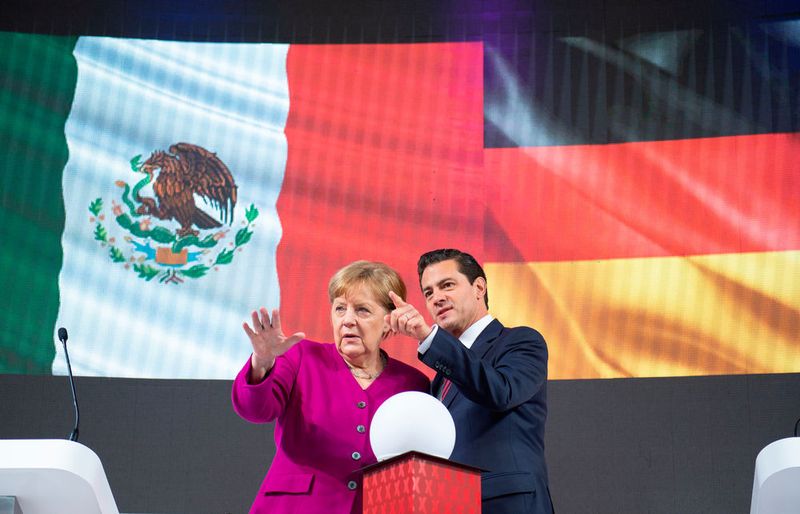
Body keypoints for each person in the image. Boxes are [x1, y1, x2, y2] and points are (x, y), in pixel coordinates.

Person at [232, 260, 430, 514]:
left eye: (362, 310)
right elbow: (255, 410)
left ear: (389, 322)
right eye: (340, 309)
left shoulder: (412, 383)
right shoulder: (300, 356)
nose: (347, 320)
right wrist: (262, 362)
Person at [387, 248, 554, 514]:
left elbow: (501, 392)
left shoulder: (521, 341)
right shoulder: (441, 376)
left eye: (447, 285)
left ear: (479, 287)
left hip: (507, 503)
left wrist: (428, 337)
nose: (437, 298)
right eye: (428, 292)